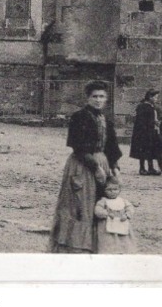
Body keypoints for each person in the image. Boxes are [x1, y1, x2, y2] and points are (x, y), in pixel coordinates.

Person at [50, 79, 122, 253]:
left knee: (101, 201)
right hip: (82, 164)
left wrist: (115, 167)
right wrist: (95, 167)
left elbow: (111, 145)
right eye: (94, 96)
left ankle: (98, 243)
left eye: (102, 96)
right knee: (81, 203)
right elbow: (78, 146)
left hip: (103, 162)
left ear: (106, 98)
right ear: (88, 98)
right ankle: (77, 244)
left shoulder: (106, 119)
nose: (98, 100)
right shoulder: (79, 117)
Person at [93, 176, 136, 253]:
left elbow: (130, 208)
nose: (112, 192)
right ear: (104, 190)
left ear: (119, 190)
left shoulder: (123, 201)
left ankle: (122, 250)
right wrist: (106, 213)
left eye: (115, 189)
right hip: (108, 226)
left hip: (121, 224)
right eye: (109, 190)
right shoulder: (103, 201)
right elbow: (97, 210)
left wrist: (127, 215)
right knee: (109, 241)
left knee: (124, 239)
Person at [129, 89, 162, 176]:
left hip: (151, 131)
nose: (156, 99)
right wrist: (152, 124)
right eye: (155, 97)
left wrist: (155, 123)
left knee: (150, 149)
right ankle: (142, 168)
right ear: (150, 97)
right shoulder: (142, 106)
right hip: (143, 132)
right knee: (143, 149)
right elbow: (141, 120)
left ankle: (151, 168)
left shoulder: (151, 106)